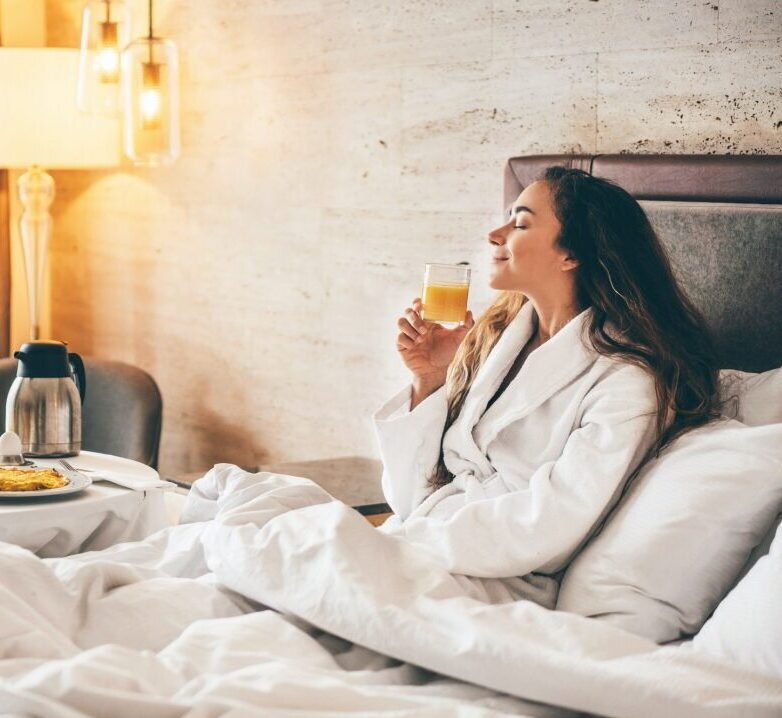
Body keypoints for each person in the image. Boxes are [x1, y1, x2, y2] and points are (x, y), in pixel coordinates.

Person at [373, 166, 719, 607]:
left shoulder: (626, 381)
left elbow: (551, 525)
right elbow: (409, 497)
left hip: (494, 579)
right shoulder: (498, 340)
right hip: (424, 544)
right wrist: (430, 379)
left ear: (571, 253)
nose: (495, 235)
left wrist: (410, 544)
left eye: (519, 223)